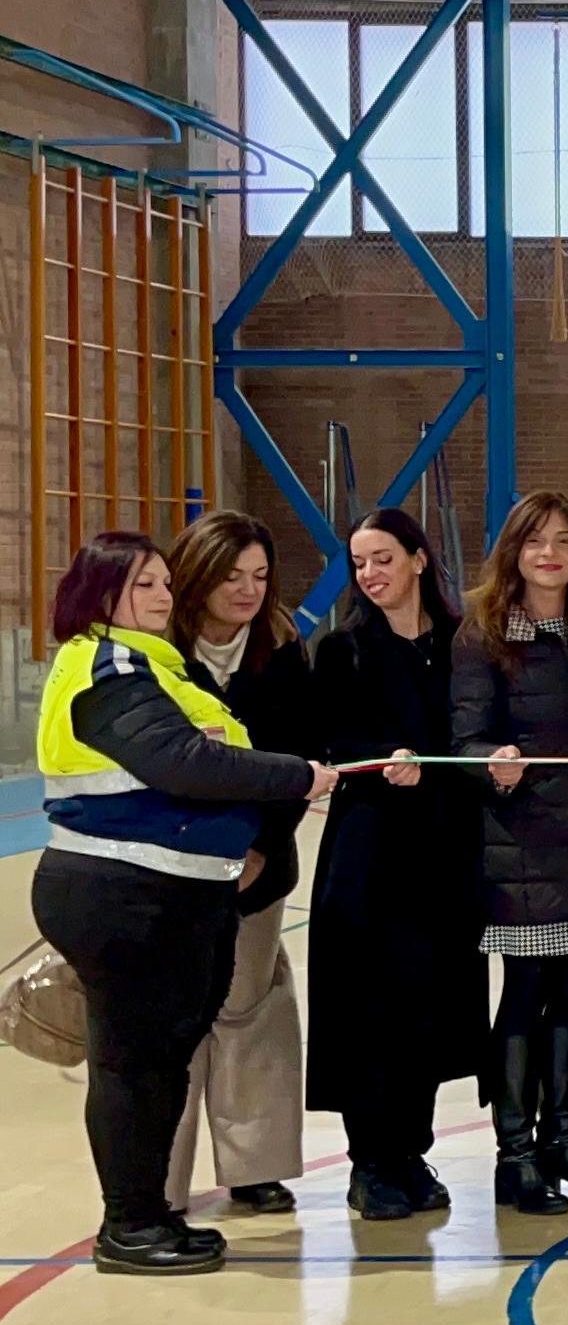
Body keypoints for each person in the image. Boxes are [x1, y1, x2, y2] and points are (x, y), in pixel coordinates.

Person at [34, 534, 333, 1274]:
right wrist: (295, 774)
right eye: (144, 585)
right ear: (101, 595)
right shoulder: (111, 665)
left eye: (165, 582)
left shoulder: (157, 667)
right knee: (134, 1065)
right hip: (123, 891)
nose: (163, 596)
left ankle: (148, 1213)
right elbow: (183, 761)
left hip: (168, 893)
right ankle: (130, 1223)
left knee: (160, 1059)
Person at [449, 493, 568, 1216]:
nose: (549, 552)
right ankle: (515, 1154)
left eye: (563, 539)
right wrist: (487, 761)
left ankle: (567, 1140)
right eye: (535, 540)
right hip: (521, 845)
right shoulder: (484, 634)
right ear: (513, 551)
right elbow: (463, 737)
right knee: (524, 998)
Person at [306, 508, 488, 1220]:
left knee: (430, 1004)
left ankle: (411, 1149)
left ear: (418, 558)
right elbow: (340, 740)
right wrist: (383, 759)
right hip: (371, 851)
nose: (370, 574)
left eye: (383, 558)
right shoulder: (345, 649)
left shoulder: (459, 643)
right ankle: (369, 1160)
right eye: (359, 563)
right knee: (369, 1007)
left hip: (442, 849)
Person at [161, 511, 316, 1216]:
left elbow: (296, 762)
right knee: (168, 1022)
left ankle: (256, 1168)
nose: (248, 590)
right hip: (167, 872)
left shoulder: (283, 651)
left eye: (259, 576)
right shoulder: (152, 653)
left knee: (249, 1010)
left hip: (255, 873)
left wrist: (258, 848)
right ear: (196, 575)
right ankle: (155, 1179)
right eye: (232, 576)